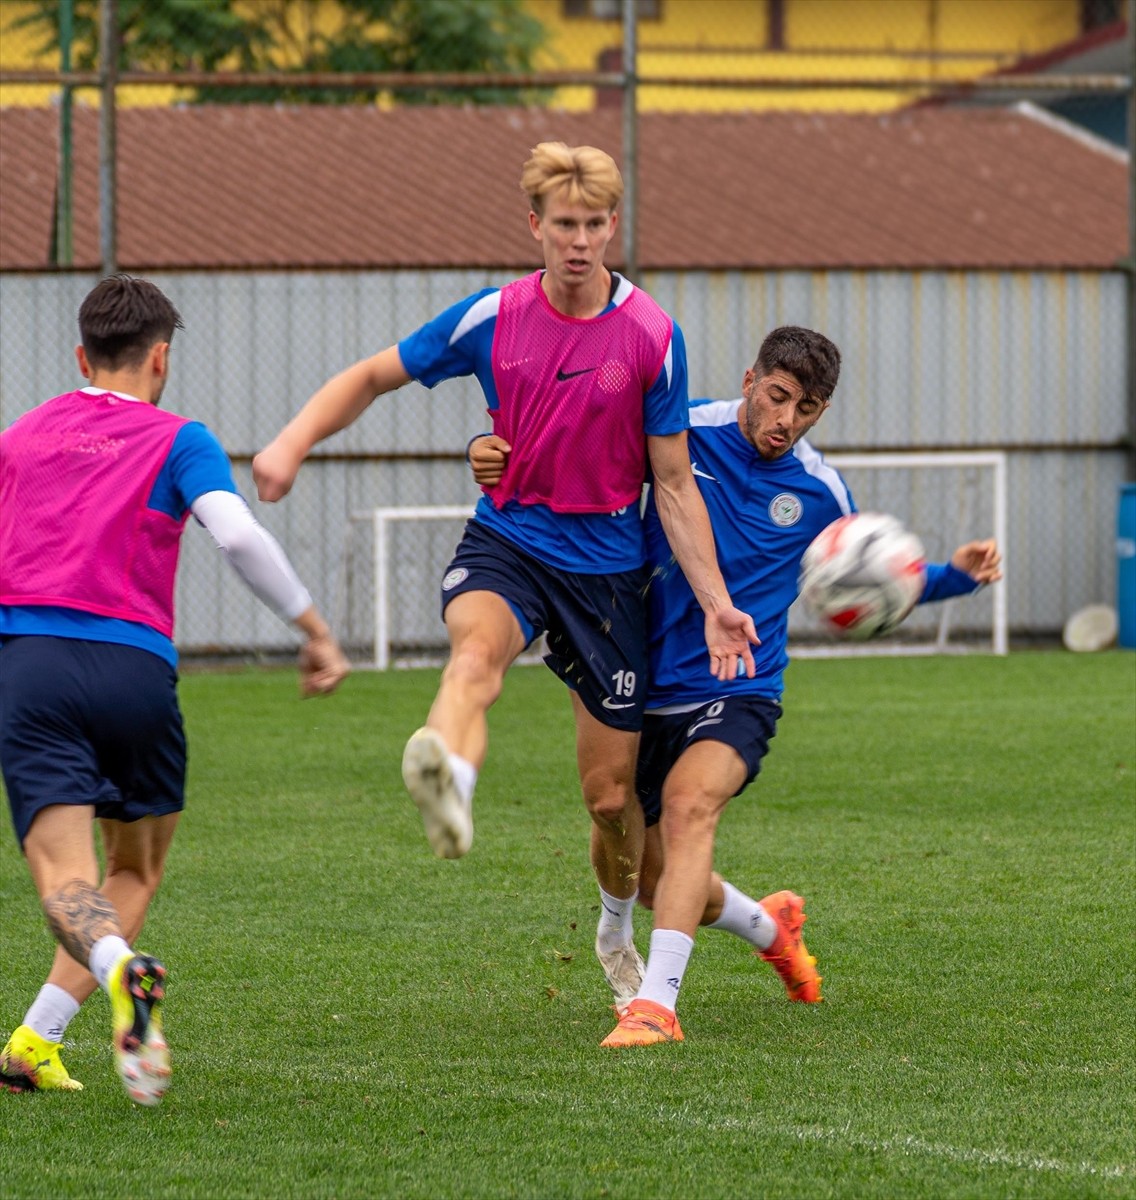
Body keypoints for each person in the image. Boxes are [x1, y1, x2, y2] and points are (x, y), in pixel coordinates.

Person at [252, 142, 757, 1005]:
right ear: (535, 225)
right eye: (564, 224)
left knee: (609, 801)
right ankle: (451, 776)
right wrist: (292, 441)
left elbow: (672, 482)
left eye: (595, 224)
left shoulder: (650, 336)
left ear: (611, 227)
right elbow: (375, 375)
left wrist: (715, 602)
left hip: (607, 572)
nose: (580, 241)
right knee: (474, 659)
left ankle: (613, 923)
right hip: (510, 543)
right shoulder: (490, 317)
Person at [469, 325, 1002, 1046]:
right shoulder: (678, 432)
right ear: (751, 378)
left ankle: (657, 1006)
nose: (786, 421)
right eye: (778, 396)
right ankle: (767, 924)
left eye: (807, 408)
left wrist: (956, 577)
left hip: (741, 686)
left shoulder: (819, 491)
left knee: (691, 810)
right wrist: (490, 453)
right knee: (630, 844)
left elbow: (869, 575)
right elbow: (567, 457)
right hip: (632, 678)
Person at [0, 274, 350, 1102]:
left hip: (32, 666)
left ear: (82, 357)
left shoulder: (19, 438)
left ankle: (120, 969)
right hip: (137, 672)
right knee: (136, 870)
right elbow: (236, 535)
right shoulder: (179, 437)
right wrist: (313, 629)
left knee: (66, 878)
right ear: (161, 359)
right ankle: (34, 1042)